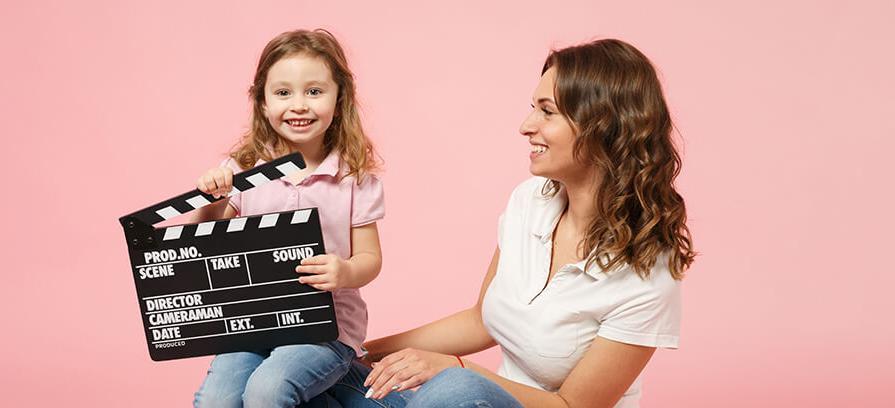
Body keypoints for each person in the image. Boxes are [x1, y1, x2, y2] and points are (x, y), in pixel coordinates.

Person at [320, 38, 697, 408]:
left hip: (484, 400)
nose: (526, 125)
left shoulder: (649, 273)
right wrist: (357, 352)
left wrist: (458, 370)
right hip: (468, 399)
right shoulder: (530, 201)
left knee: (454, 389)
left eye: (547, 112)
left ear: (602, 126)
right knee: (320, 376)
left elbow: (573, 404)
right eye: (533, 108)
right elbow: (481, 321)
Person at [190, 29, 386, 408]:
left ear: (339, 98)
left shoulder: (353, 179)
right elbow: (206, 236)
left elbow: (370, 258)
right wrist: (211, 198)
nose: (299, 105)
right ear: (262, 103)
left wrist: (344, 271)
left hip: (324, 328)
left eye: (314, 91)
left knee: (268, 390)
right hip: (251, 322)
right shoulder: (243, 171)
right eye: (283, 93)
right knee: (216, 398)